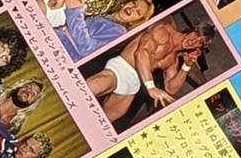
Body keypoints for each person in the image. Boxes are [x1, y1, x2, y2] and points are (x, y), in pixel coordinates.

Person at [84, 19, 215, 125]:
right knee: (89, 90)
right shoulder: (164, 31)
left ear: (199, 48)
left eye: (199, 42)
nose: (193, 41)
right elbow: (141, 54)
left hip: (132, 88)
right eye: (196, 35)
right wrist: (151, 87)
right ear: (192, 30)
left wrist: (186, 66)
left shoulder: (173, 59)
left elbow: (171, 88)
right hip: (121, 68)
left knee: (102, 123)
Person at [43, 0, 155, 64]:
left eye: (138, 12)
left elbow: (87, 48)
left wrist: (75, 11)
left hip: (61, 51)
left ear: (135, 22)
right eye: (134, 4)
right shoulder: (108, 13)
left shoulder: (119, 31)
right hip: (55, 37)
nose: (132, 8)